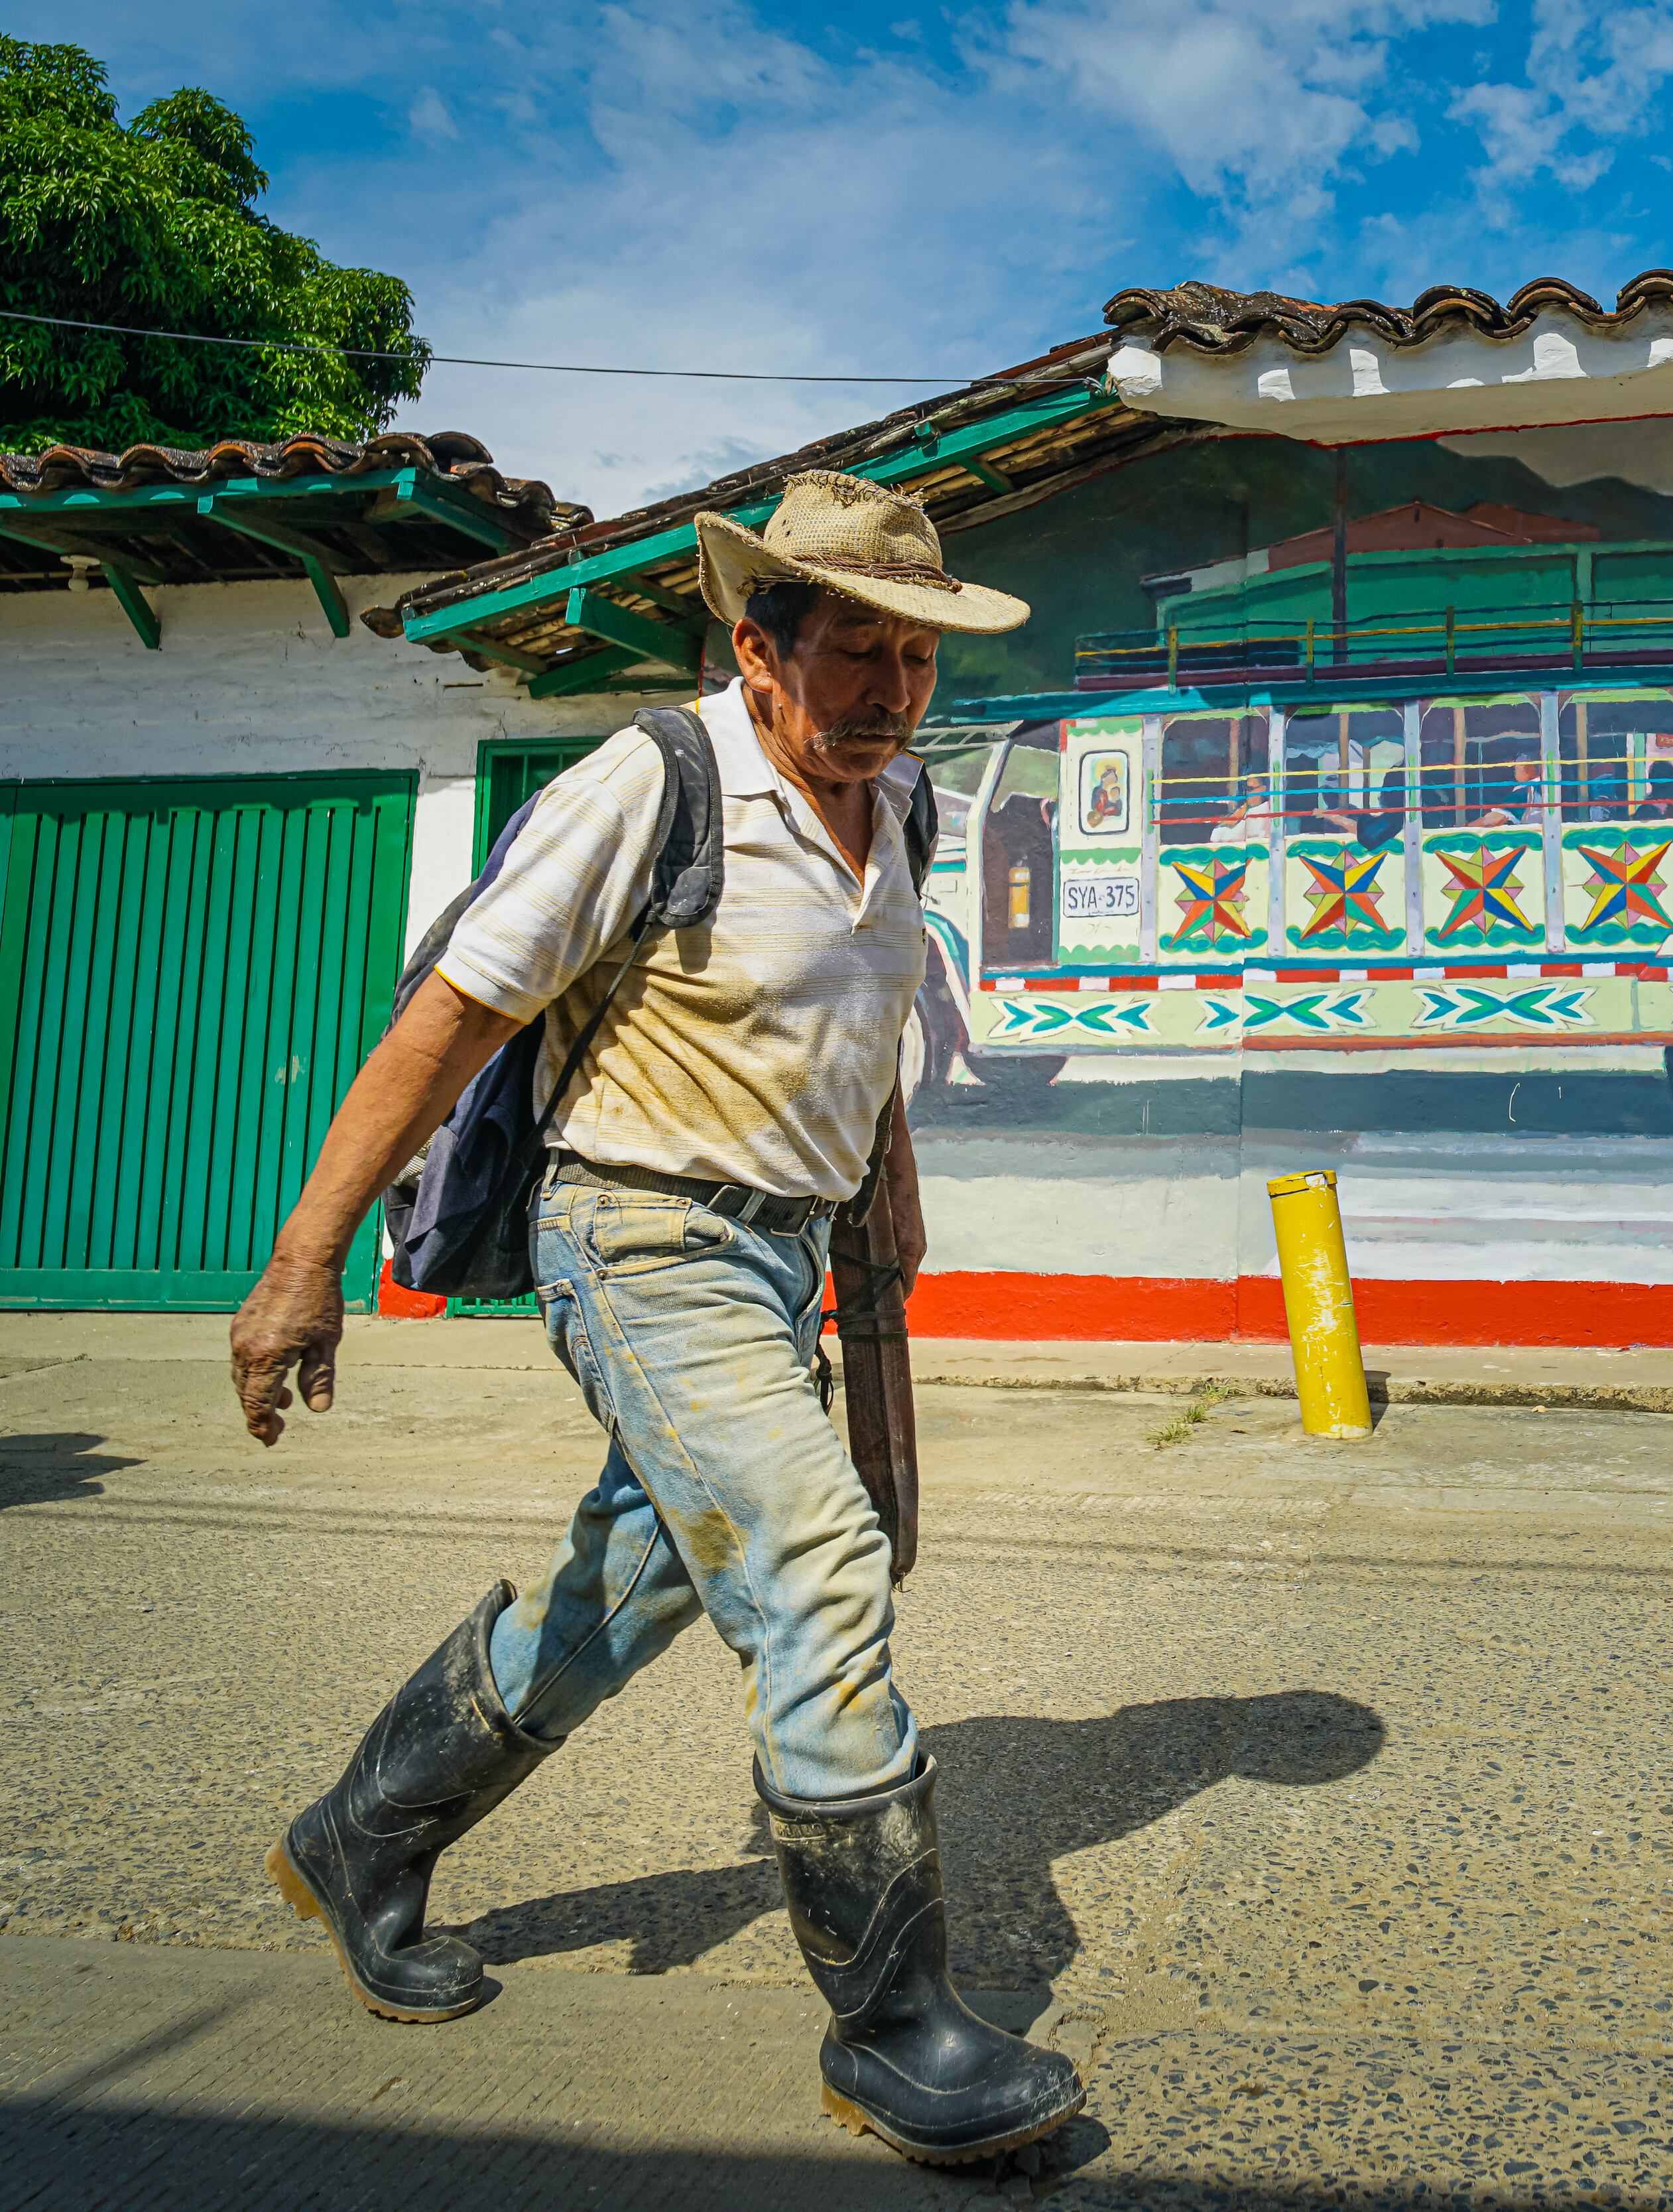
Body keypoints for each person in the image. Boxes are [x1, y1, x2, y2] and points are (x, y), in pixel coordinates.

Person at [227, 472, 1087, 2169]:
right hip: (636, 1239)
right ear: (754, 645)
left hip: (782, 1256)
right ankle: (893, 2025)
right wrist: (302, 1262)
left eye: (919, 660)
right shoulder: (657, 780)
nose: (893, 693)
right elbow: (452, 1021)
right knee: (816, 1558)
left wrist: (878, 1193)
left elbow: (860, 1019)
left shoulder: (898, 801)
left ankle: (363, 1831)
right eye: (858, 652)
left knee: (622, 1593)